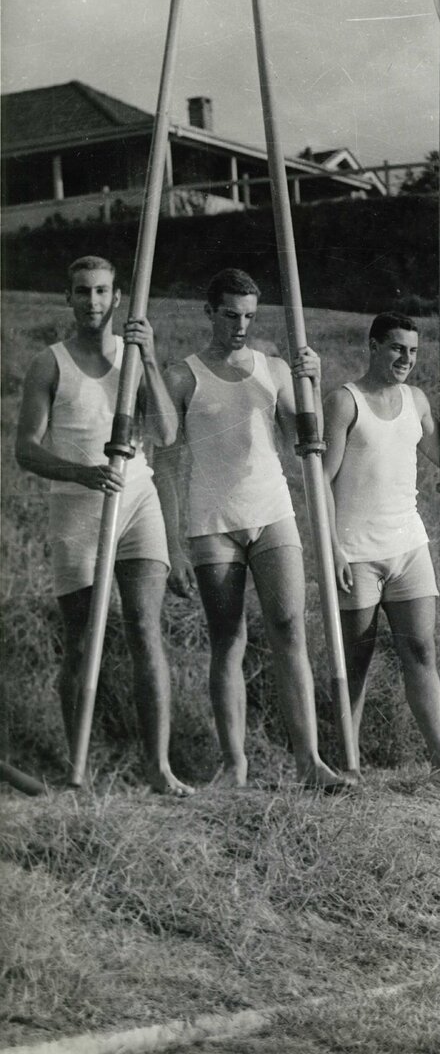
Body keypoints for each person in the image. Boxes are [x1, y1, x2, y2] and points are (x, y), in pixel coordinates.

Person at [157, 268, 347, 791]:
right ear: (209, 312)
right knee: (229, 638)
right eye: (230, 315)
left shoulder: (275, 369)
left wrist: (313, 383)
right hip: (212, 522)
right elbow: (166, 464)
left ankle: (309, 762)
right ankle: (234, 765)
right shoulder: (183, 376)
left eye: (248, 316)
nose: (240, 326)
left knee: (289, 628)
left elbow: (305, 441)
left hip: (272, 512)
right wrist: (173, 544)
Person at [15, 255, 191, 795]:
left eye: (101, 291)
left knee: (145, 630)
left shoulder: (133, 358)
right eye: (82, 291)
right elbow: (25, 449)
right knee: (83, 640)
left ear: (117, 298)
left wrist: (150, 360)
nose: (92, 301)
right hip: (77, 508)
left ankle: (159, 768)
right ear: (68, 298)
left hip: (136, 500)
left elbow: (166, 433)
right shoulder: (50, 363)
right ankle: (78, 770)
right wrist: (82, 473)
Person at [322, 312, 440, 792]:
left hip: (408, 545)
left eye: (412, 351)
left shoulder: (416, 399)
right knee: (355, 660)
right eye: (396, 348)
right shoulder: (345, 401)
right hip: (356, 550)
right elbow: (321, 480)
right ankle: (348, 765)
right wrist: (332, 548)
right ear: (373, 346)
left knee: (421, 650)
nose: (406, 359)